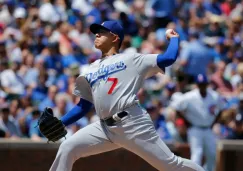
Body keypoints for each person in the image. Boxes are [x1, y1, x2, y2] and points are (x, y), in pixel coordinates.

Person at [47, 20, 204, 171]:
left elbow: (168, 58)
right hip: (104, 128)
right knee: (68, 147)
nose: (96, 35)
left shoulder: (131, 59)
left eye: (101, 32)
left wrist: (174, 39)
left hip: (132, 123)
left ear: (115, 38)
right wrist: (62, 123)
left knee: (170, 165)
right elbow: (83, 106)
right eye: (96, 32)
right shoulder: (90, 69)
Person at [170, 74, 225, 171]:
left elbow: (221, 108)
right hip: (195, 129)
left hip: (208, 128)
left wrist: (214, 122)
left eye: (203, 84)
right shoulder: (190, 96)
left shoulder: (214, 95)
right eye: (200, 84)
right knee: (197, 154)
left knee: (212, 154)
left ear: (207, 84)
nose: (202, 86)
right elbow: (176, 107)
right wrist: (187, 123)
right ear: (197, 85)